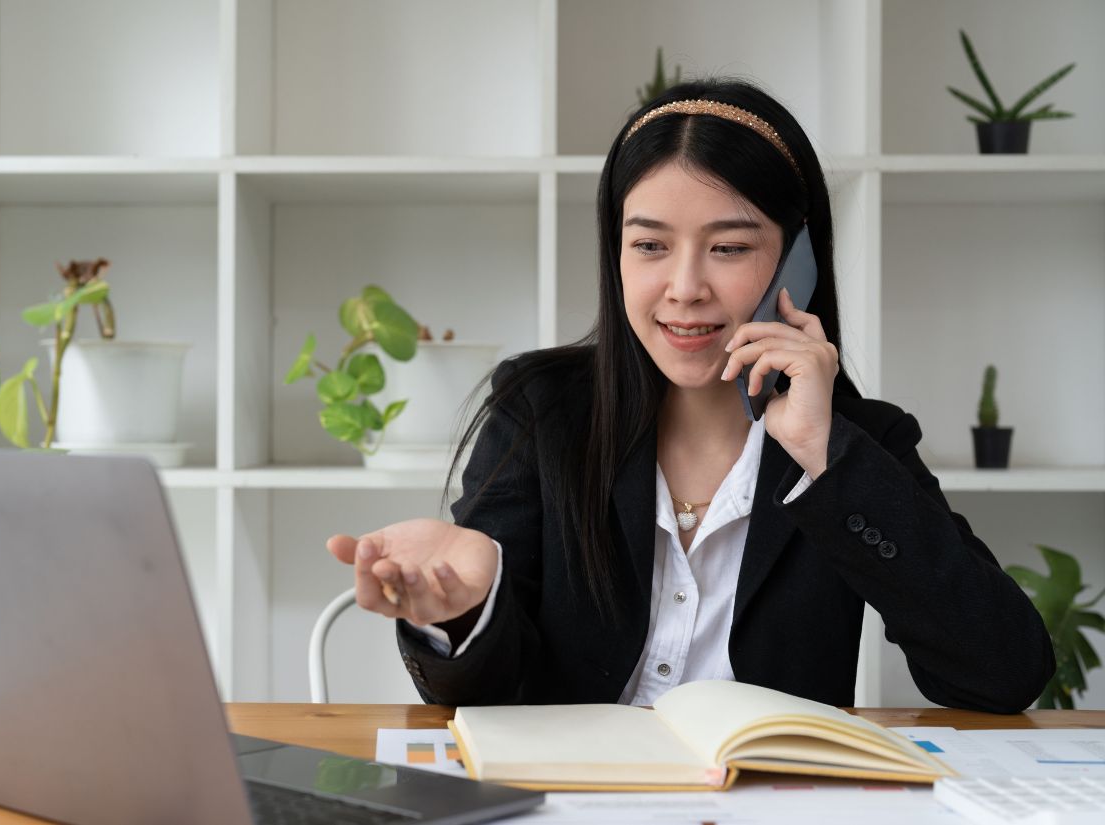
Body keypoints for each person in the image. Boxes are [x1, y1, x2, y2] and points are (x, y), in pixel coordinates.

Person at [327, 78, 1053, 713]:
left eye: (729, 247)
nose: (684, 288)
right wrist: (467, 611)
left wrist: (822, 455)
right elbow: (488, 696)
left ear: (797, 256)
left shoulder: (859, 441)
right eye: (649, 245)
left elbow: (1006, 674)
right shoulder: (542, 408)